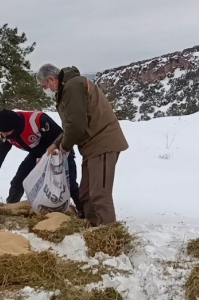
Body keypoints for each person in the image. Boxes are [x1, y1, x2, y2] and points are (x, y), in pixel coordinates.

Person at [36, 64, 129, 226]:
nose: (46, 90)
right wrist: (56, 144)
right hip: (91, 147)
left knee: (99, 194)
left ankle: (108, 236)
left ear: (52, 79)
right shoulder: (68, 88)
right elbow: (70, 124)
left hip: (103, 142)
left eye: (44, 86)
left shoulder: (73, 86)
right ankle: (92, 228)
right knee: (86, 193)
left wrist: (64, 147)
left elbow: (77, 125)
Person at [0, 109, 83, 215]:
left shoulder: (38, 120)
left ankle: (84, 213)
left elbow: (61, 136)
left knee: (70, 185)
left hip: (60, 152)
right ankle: (11, 209)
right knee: (18, 181)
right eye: (1, 132)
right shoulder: (6, 135)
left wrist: (50, 155)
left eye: (6, 132)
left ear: (15, 126)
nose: (3, 135)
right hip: (36, 154)